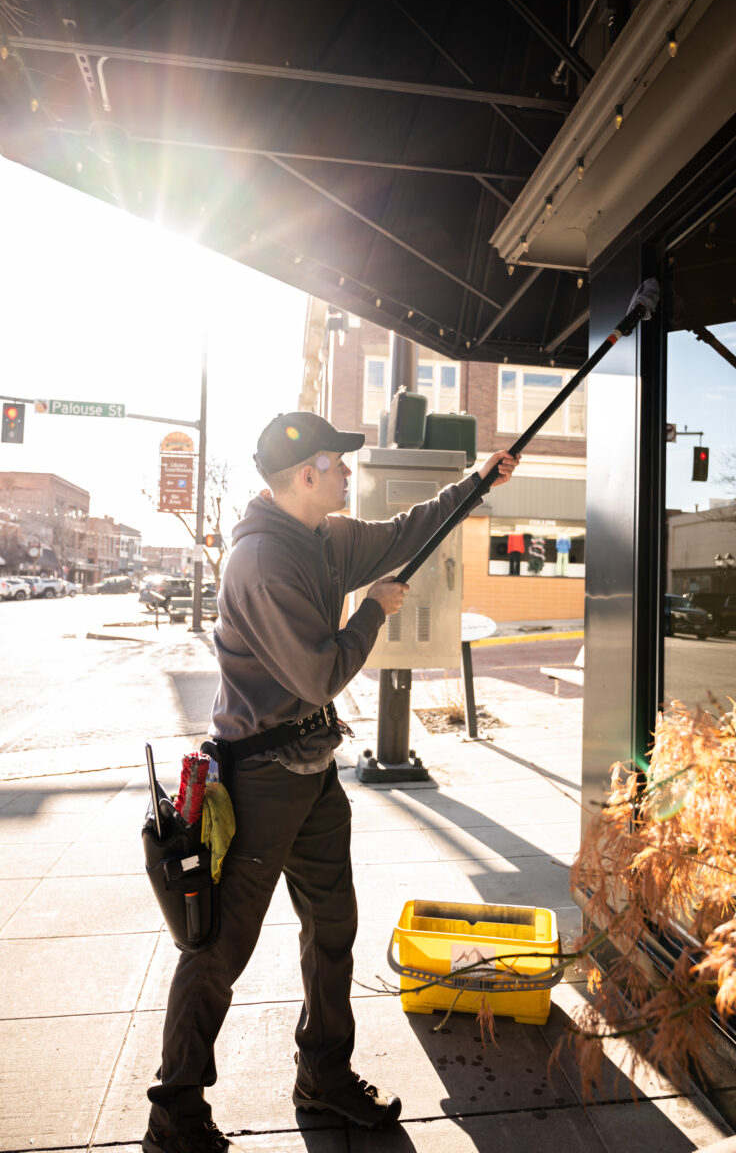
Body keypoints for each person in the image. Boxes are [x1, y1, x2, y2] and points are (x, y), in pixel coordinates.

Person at [143, 410, 519, 1153]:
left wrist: (475, 485)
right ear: (307, 473)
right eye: (338, 461)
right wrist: (374, 611)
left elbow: (405, 533)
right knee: (217, 950)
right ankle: (175, 1115)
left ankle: (323, 1073)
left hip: (313, 771)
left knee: (334, 926)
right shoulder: (261, 561)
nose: (350, 471)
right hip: (259, 780)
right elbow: (319, 675)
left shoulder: (322, 537)